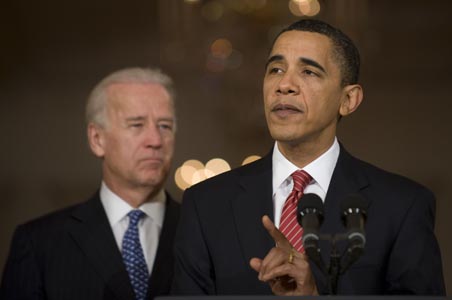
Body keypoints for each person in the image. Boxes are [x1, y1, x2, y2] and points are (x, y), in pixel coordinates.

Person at [171, 19, 445, 295]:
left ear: (348, 100)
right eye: (275, 69)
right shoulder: (205, 205)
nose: (284, 85)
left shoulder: (402, 206)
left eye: (309, 72)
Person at [1, 67, 180, 300]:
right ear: (97, 139)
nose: (155, 140)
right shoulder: (39, 244)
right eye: (137, 125)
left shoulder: (207, 235)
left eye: (164, 126)